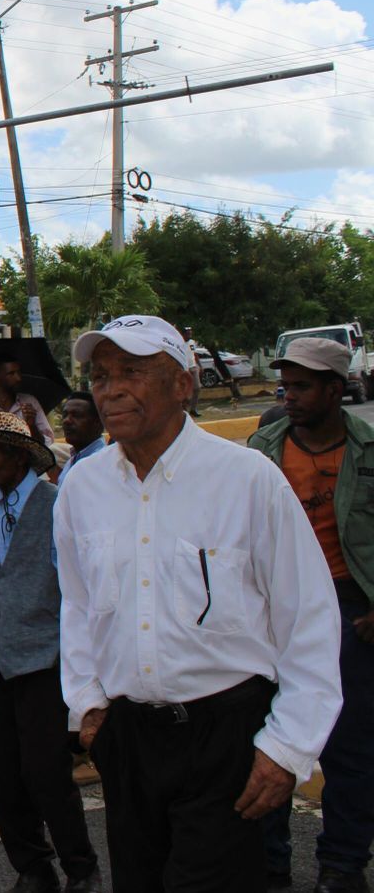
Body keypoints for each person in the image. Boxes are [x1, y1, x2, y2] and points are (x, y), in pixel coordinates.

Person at [57, 314, 342, 893]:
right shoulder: (83, 487)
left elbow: (308, 616)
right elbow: (78, 606)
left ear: (182, 384)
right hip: (128, 736)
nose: (111, 390)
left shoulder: (247, 479)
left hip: (224, 735)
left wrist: (287, 747)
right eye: (101, 376)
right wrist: (87, 705)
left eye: (132, 372)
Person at [0, 412, 101, 893]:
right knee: (6, 779)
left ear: (18, 456)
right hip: (0, 655)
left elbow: (76, 584)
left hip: (45, 657)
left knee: (47, 773)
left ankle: (81, 868)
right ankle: (33, 867)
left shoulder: (54, 504)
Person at [249, 337, 374, 893]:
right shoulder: (263, 448)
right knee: (268, 738)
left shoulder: (368, 450)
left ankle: (342, 865)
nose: (289, 397)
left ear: (334, 389)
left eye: (302, 387)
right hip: (276, 611)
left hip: (350, 610)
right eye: (285, 387)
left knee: (351, 747)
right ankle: (269, 864)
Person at [0, 354, 56, 441]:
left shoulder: (30, 401)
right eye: (11, 374)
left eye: (19, 372)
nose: (18, 378)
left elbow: (48, 440)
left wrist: (32, 426)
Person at [56, 393, 105, 487]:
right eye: (65, 415)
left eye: (76, 415)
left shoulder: (104, 464)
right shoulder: (72, 461)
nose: (67, 421)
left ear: (98, 422)